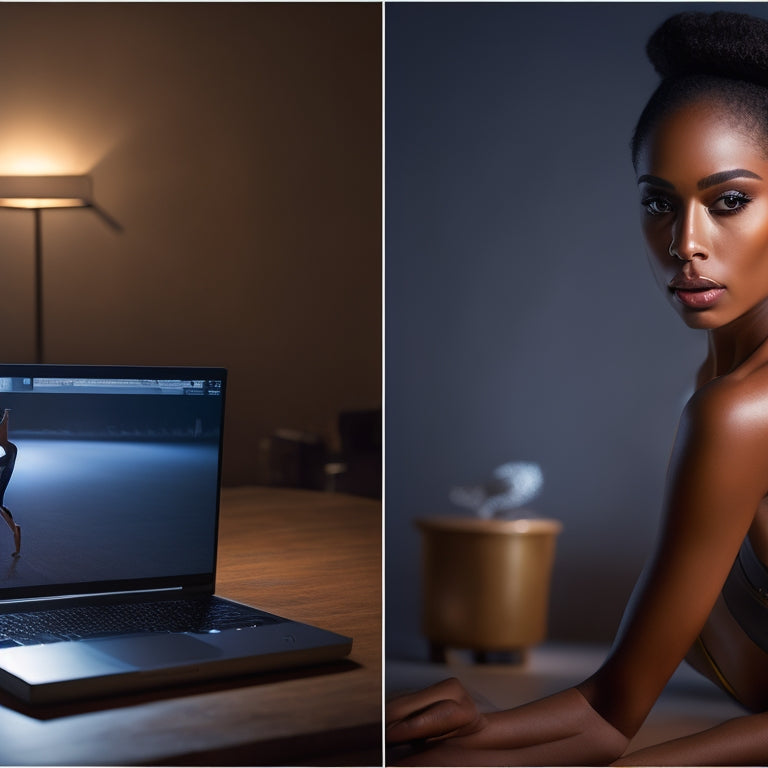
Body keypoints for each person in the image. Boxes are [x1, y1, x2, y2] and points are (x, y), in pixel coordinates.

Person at [386, 10, 768, 766]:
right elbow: (610, 708)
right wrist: (483, 726)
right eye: (659, 201)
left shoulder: (742, 412)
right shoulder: (720, 390)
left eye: (729, 201)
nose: (685, 243)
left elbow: (610, 721)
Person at [0, 409, 21, 557]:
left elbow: (3, 439)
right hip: (7, 459)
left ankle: (15, 530)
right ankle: (15, 530)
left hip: (6, 460)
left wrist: (6, 417)